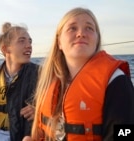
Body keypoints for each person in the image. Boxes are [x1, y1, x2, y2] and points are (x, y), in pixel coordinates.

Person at [25, 7, 134, 141]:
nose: (81, 33)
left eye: (89, 28)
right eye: (72, 28)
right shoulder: (47, 82)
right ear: (59, 42)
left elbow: (125, 134)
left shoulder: (117, 81)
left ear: (97, 40)